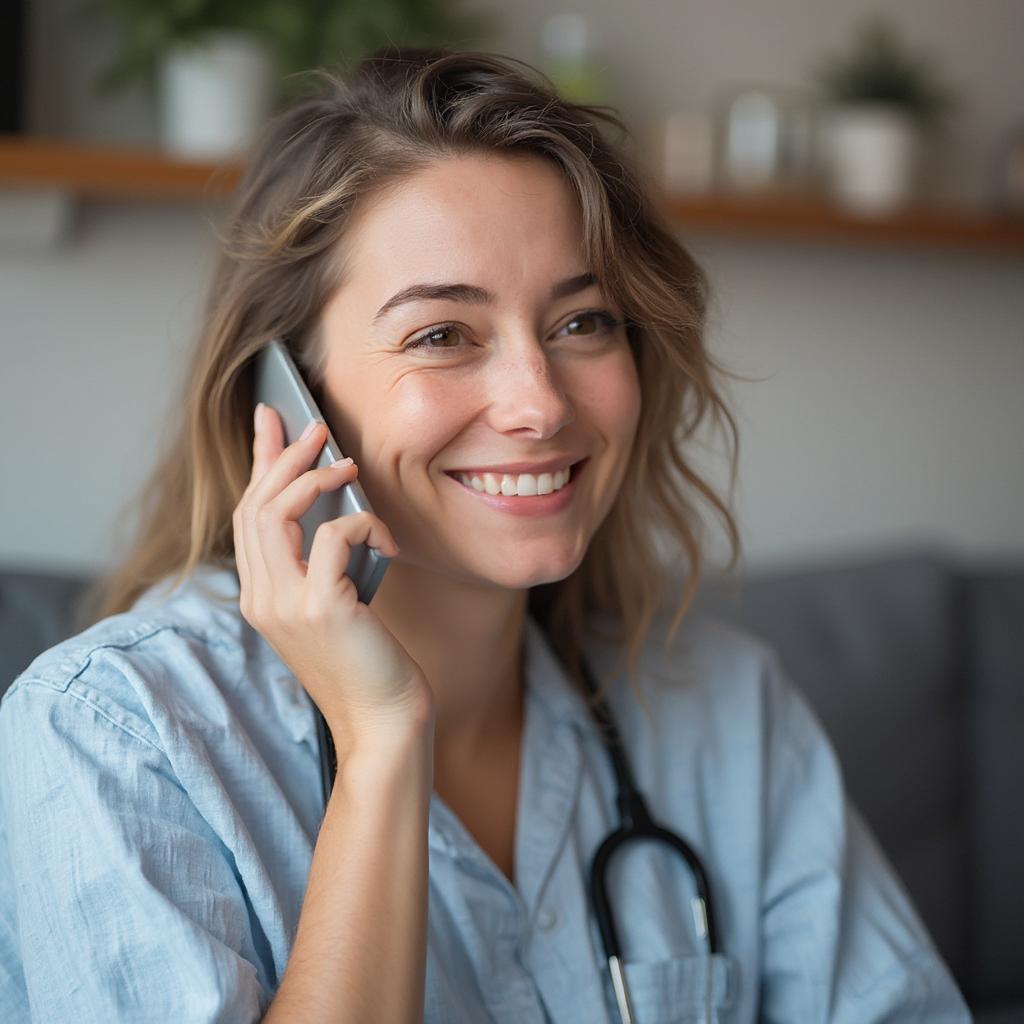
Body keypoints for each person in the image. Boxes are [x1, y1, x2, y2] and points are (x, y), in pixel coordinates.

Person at [0, 48, 968, 1023]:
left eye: (583, 321)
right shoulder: (110, 739)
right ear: (287, 397)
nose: (540, 404)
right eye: (442, 335)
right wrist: (381, 743)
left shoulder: (725, 712)